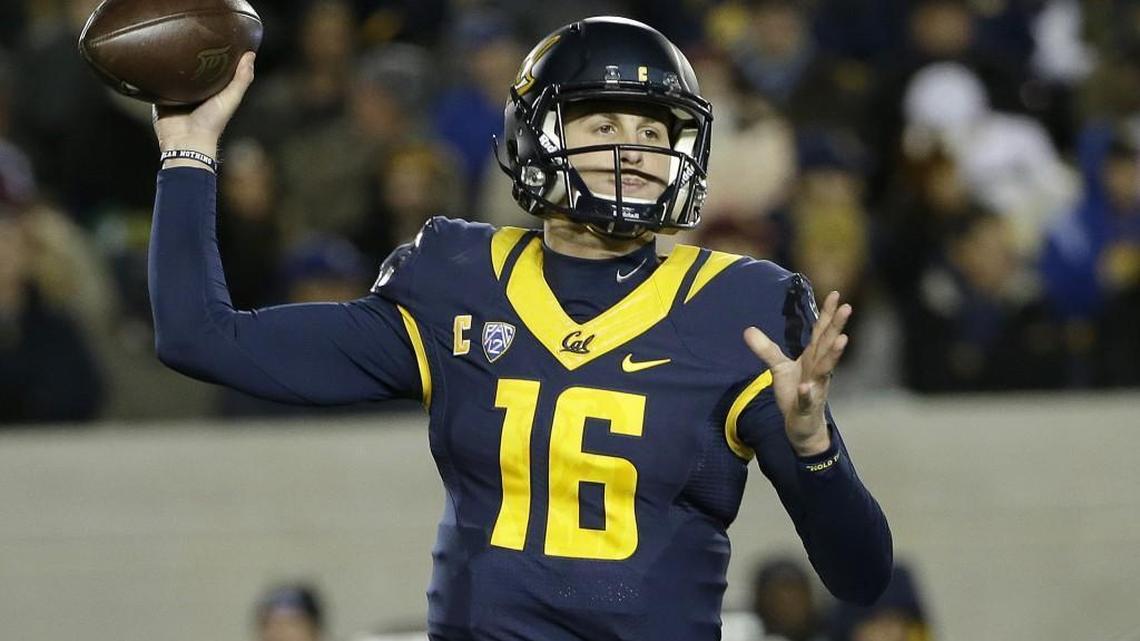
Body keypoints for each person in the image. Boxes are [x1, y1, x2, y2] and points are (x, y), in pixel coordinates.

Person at [149, 17, 892, 640]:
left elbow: (860, 576)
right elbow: (200, 336)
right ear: (540, 136)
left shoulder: (741, 308)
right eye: (606, 123)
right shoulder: (457, 279)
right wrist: (189, 149)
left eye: (653, 129)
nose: (635, 147)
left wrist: (813, 448)